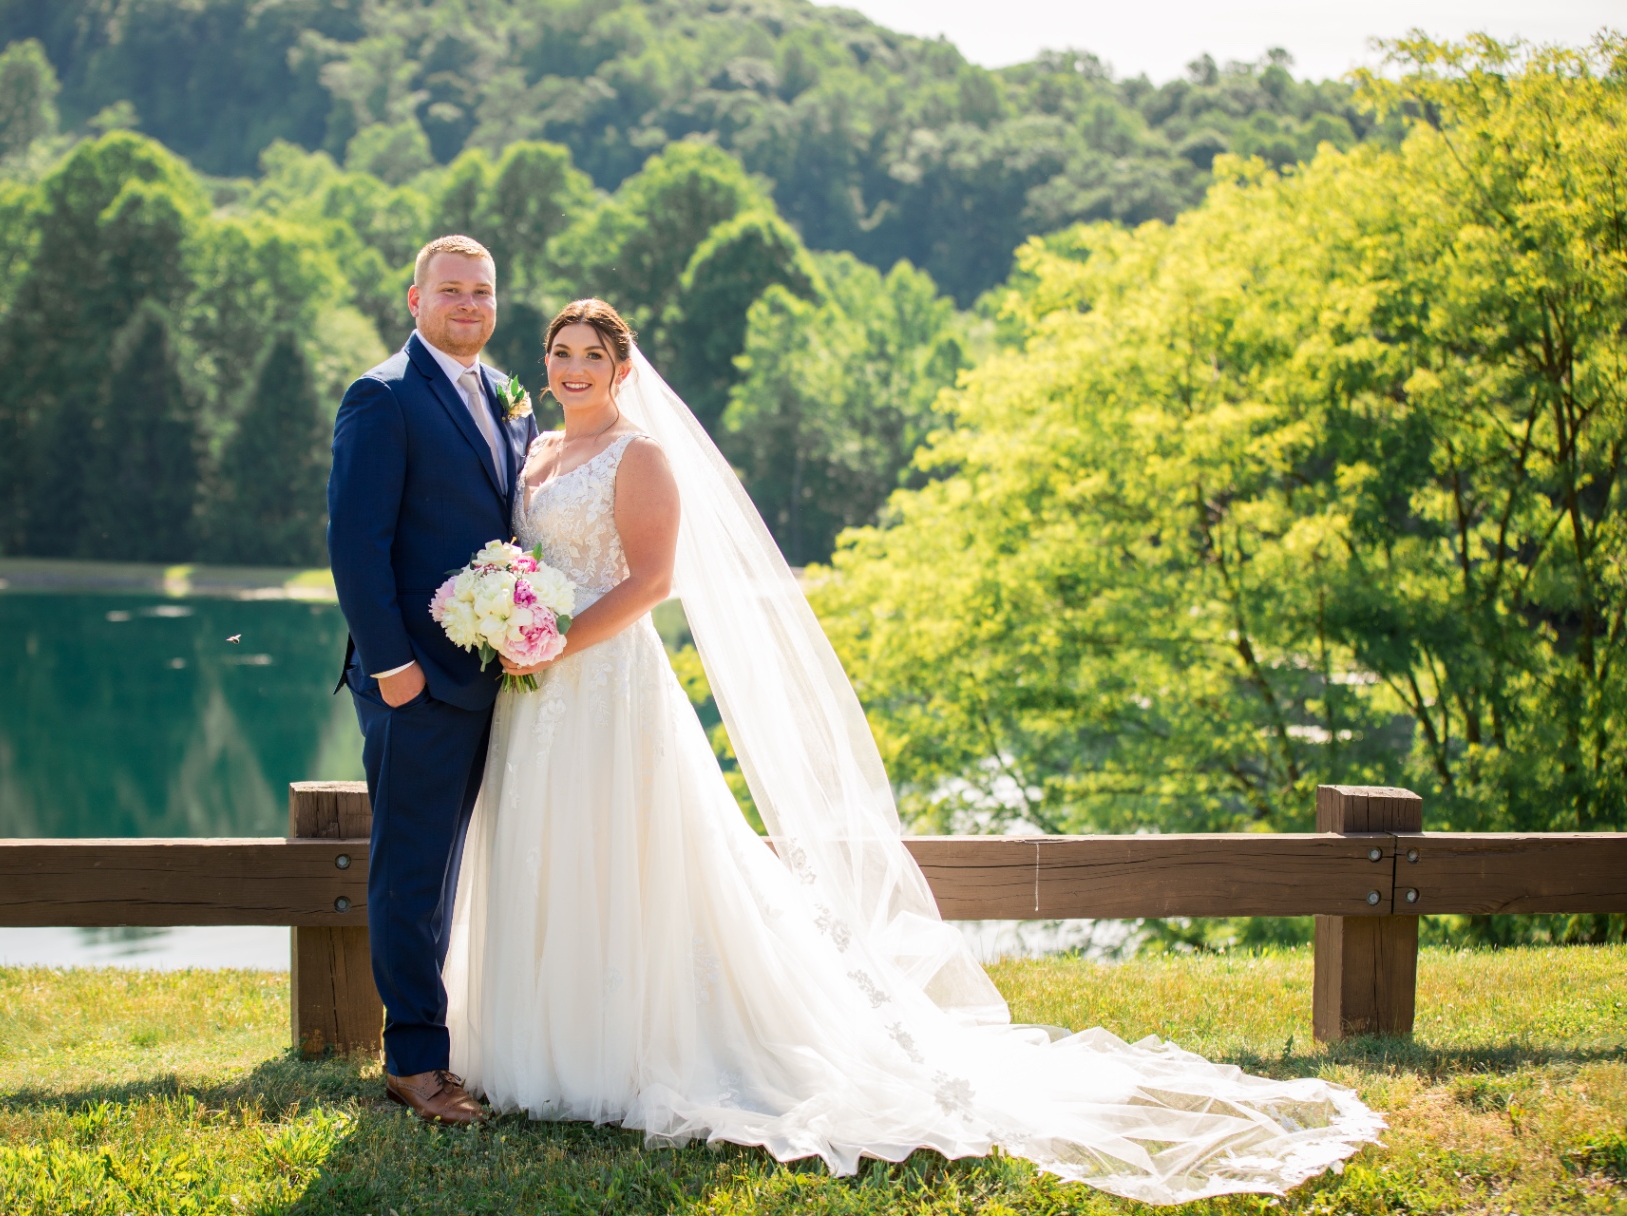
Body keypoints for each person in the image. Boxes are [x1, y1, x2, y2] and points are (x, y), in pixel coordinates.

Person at [439, 298, 1385, 1205]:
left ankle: (627, 1051)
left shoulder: (640, 456)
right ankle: (538, 1044)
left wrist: (558, 641)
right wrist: (514, 620)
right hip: (535, 693)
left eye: (592, 356)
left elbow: (652, 582)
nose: (573, 369)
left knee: (626, 853)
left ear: (622, 369)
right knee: (541, 844)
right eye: (561, 354)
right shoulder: (539, 449)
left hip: (608, 687)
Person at [326, 234, 540, 1124]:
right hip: (417, 684)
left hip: (501, 681)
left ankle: (486, 1042)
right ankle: (415, 1064)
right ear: (415, 300)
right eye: (450, 290)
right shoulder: (382, 396)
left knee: (476, 873)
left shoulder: (509, 397)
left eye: (482, 292)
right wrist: (394, 670)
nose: (468, 305)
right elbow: (355, 545)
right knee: (413, 879)